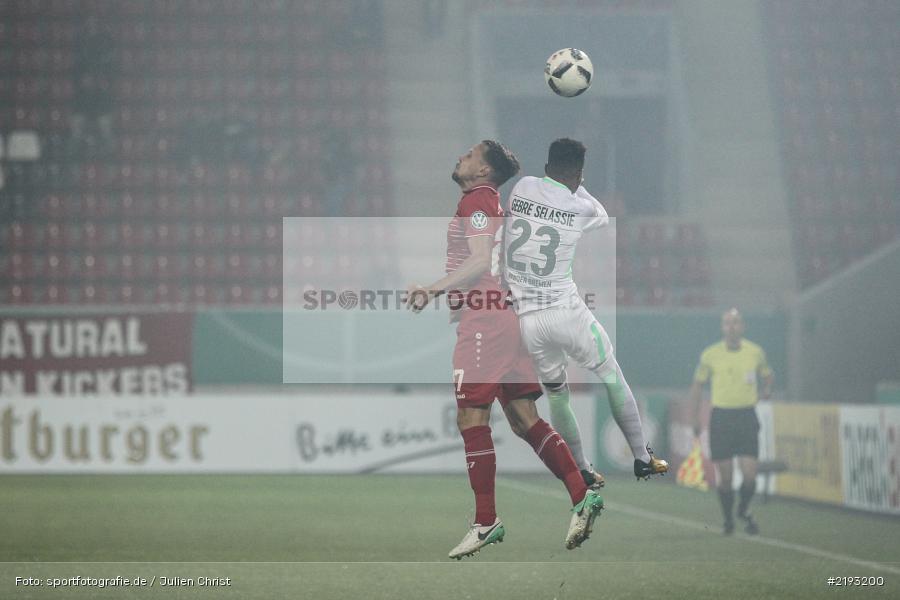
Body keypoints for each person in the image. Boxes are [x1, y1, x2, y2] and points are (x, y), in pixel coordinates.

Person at [405, 140, 603, 559]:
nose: (461, 155)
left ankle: (485, 521)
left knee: (471, 417)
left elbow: (479, 261)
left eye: (471, 154)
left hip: (488, 322)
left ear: (483, 172)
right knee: (522, 418)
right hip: (506, 315)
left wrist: (433, 290)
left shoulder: (478, 201)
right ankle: (581, 494)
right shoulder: (492, 201)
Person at [502, 138, 668, 481]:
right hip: (566, 311)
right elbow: (603, 217)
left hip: (529, 321)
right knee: (611, 373)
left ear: (547, 167)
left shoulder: (522, 187)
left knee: (558, 396)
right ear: (578, 174)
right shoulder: (582, 207)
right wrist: (581, 186)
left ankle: (581, 468)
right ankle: (641, 456)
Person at [690, 308, 773, 535]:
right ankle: (728, 520)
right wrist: (695, 417)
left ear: (742, 326)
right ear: (722, 327)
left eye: (735, 322)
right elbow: (698, 385)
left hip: (746, 416)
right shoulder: (710, 355)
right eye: (727, 323)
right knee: (725, 478)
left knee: (750, 476)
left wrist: (766, 389)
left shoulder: (755, 352)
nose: (732, 327)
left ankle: (743, 508)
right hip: (722, 418)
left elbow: (767, 374)